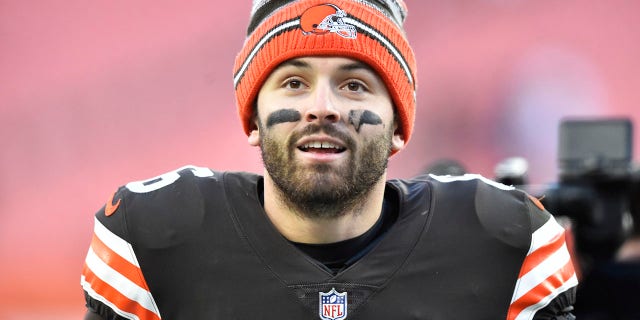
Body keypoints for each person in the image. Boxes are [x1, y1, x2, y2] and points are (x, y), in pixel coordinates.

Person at [81, 0, 578, 319]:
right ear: (252, 118)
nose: (323, 107)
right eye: (294, 81)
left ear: (400, 126)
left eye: (354, 85)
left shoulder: (501, 243)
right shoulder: (159, 240)